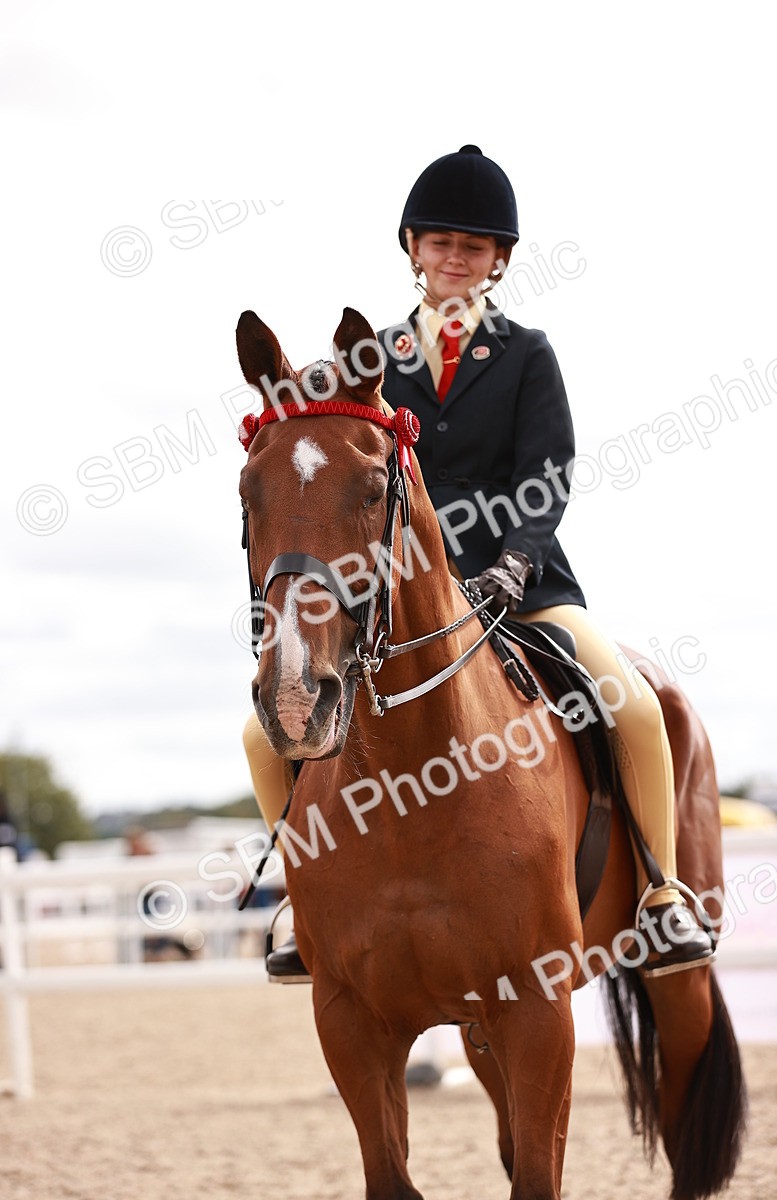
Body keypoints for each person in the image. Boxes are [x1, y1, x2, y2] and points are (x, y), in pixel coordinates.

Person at [244, 145, 713, 981]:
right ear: (414, 248)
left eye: (473, 246)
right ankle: (300, 898)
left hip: (521, 580)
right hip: (401, 595)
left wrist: (515, 563)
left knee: (633, 702)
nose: (455, 258)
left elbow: (547, 472)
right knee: (261, 731)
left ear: (498, 259)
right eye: (442, 242)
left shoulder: (526, 352)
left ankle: (661, 892)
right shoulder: (371, 360)